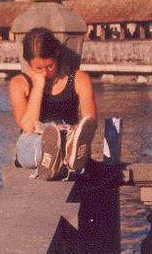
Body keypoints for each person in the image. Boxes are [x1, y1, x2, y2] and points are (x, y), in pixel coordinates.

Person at [8, 27, 98, 180]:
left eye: (49, 66)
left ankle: (65, 154)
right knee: (27, 143)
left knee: (69, 140)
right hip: (34, 142)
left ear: (57, 57)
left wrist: (71, 132)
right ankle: (56, 157)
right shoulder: (19, 83)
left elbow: (90, 122)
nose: (45, 72)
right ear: (29, 64)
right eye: (38, 68)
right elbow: (28, 127)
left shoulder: (79, 79)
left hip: (68, 138)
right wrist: (38, 87)